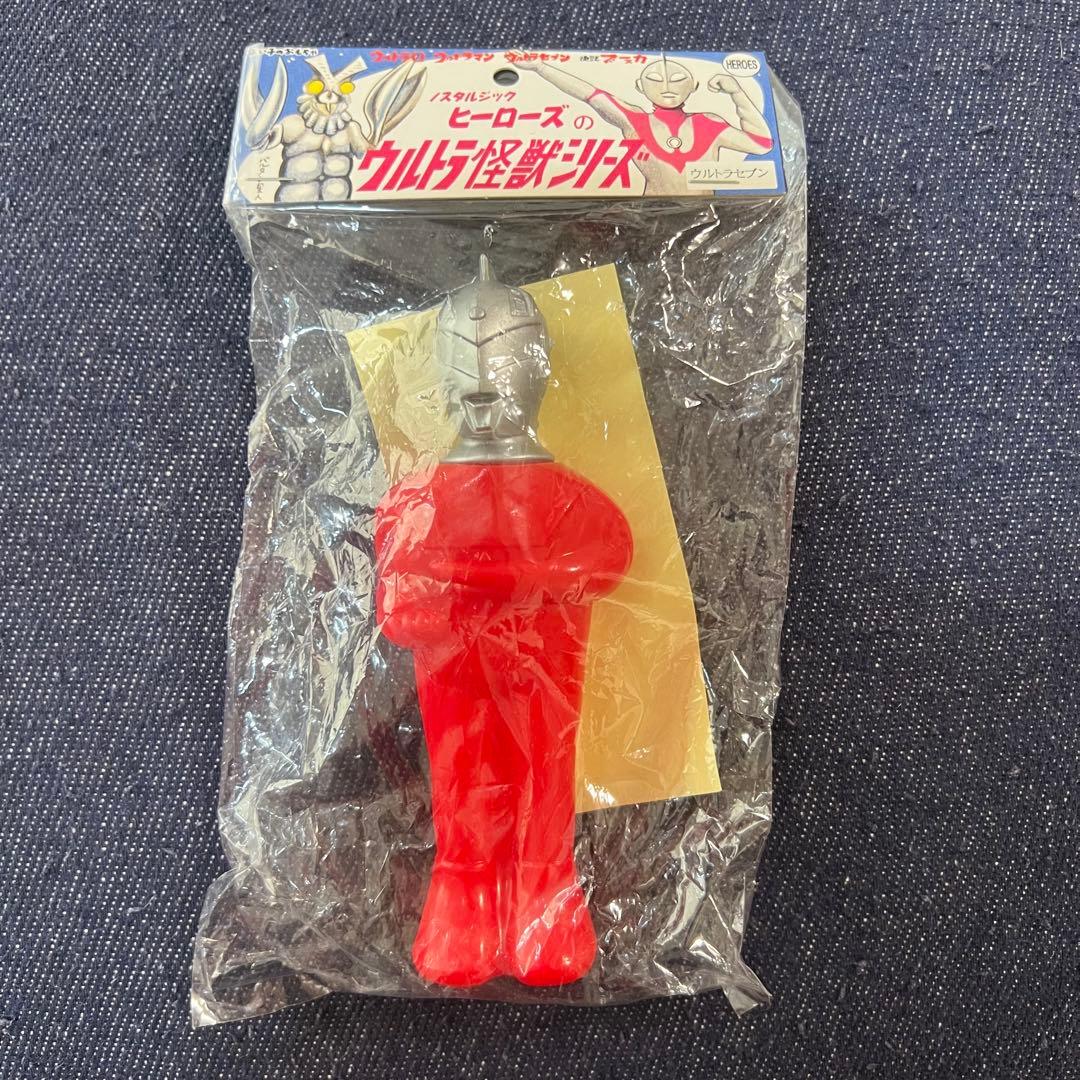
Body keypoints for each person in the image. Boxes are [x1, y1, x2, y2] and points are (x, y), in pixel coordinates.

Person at [515, 56, 774, 195]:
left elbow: (762, 144)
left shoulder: (708, 123)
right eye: (654, 79)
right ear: (640, 86)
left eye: (677, 78)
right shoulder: (634, 119)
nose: (667, 86)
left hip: (705, 219)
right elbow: (590, 93)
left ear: (693, 85)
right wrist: (541, 67)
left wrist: (737, 92)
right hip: (650, 221)